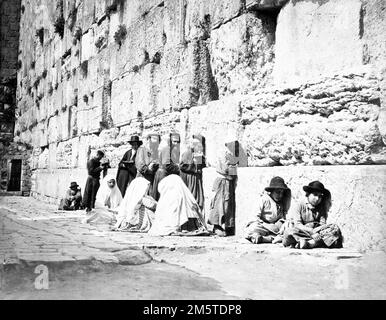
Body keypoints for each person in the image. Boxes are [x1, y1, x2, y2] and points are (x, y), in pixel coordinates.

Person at [283, 181, 343, 249]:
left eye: (320, 196)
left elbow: (322, 225)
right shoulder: (299, 205)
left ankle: (309, 244)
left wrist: (317, 232)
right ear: (308, 194)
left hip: (317, 234)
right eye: (315, 195)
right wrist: (311, 231)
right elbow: (298, 224)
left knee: (334, 227)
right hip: (302, 232)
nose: (317, 199)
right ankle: (312, 243)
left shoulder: (321, 207)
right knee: (289, 231)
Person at [244, 177, 291, 244]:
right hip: (263, 226)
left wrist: (279, 223)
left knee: (288, 226)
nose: (280, 195)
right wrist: (266, 225)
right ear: (271, 191)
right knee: (252, 228)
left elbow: (282, 217)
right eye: (278, 192)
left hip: (275, 228)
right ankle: (267, 238)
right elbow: (254, 217)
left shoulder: (280, 203)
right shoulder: (263, 200)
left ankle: (264, 238)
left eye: (282, 193)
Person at [207, 138, 238, 237]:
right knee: (219, 204)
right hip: (223, 181)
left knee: (228, 205)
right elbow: (226, 169)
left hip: (228, 182)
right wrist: (233, 170)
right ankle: (216, 226)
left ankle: (228, 226)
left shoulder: (231, 154)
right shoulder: (224, 154)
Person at [179, 134, 206, 211]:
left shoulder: (198, 153)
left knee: (198, 196)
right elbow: (182, 166)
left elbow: (202, 165)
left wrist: (201, 159)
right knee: (192, 195)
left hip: (197, 178)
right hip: (190, 178)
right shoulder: (187, 153)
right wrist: (194, 168)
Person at [151, 133, 181, 201]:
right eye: (174, 141)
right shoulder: (167, 149)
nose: (176, 143)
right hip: (163, 175)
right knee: (162, 196)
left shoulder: (169, 149)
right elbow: (167, 165)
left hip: (163, 174)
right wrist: (178, 167)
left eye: (177, 142)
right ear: (170, 141)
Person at [135, 134, 160, 199]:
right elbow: (140, 165)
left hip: (151, 179)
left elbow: (158, 162)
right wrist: (149, 169)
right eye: (153, 140)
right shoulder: (141, 150)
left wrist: (154, 164)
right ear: (148, 140)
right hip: (142, 177)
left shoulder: (155, 151)